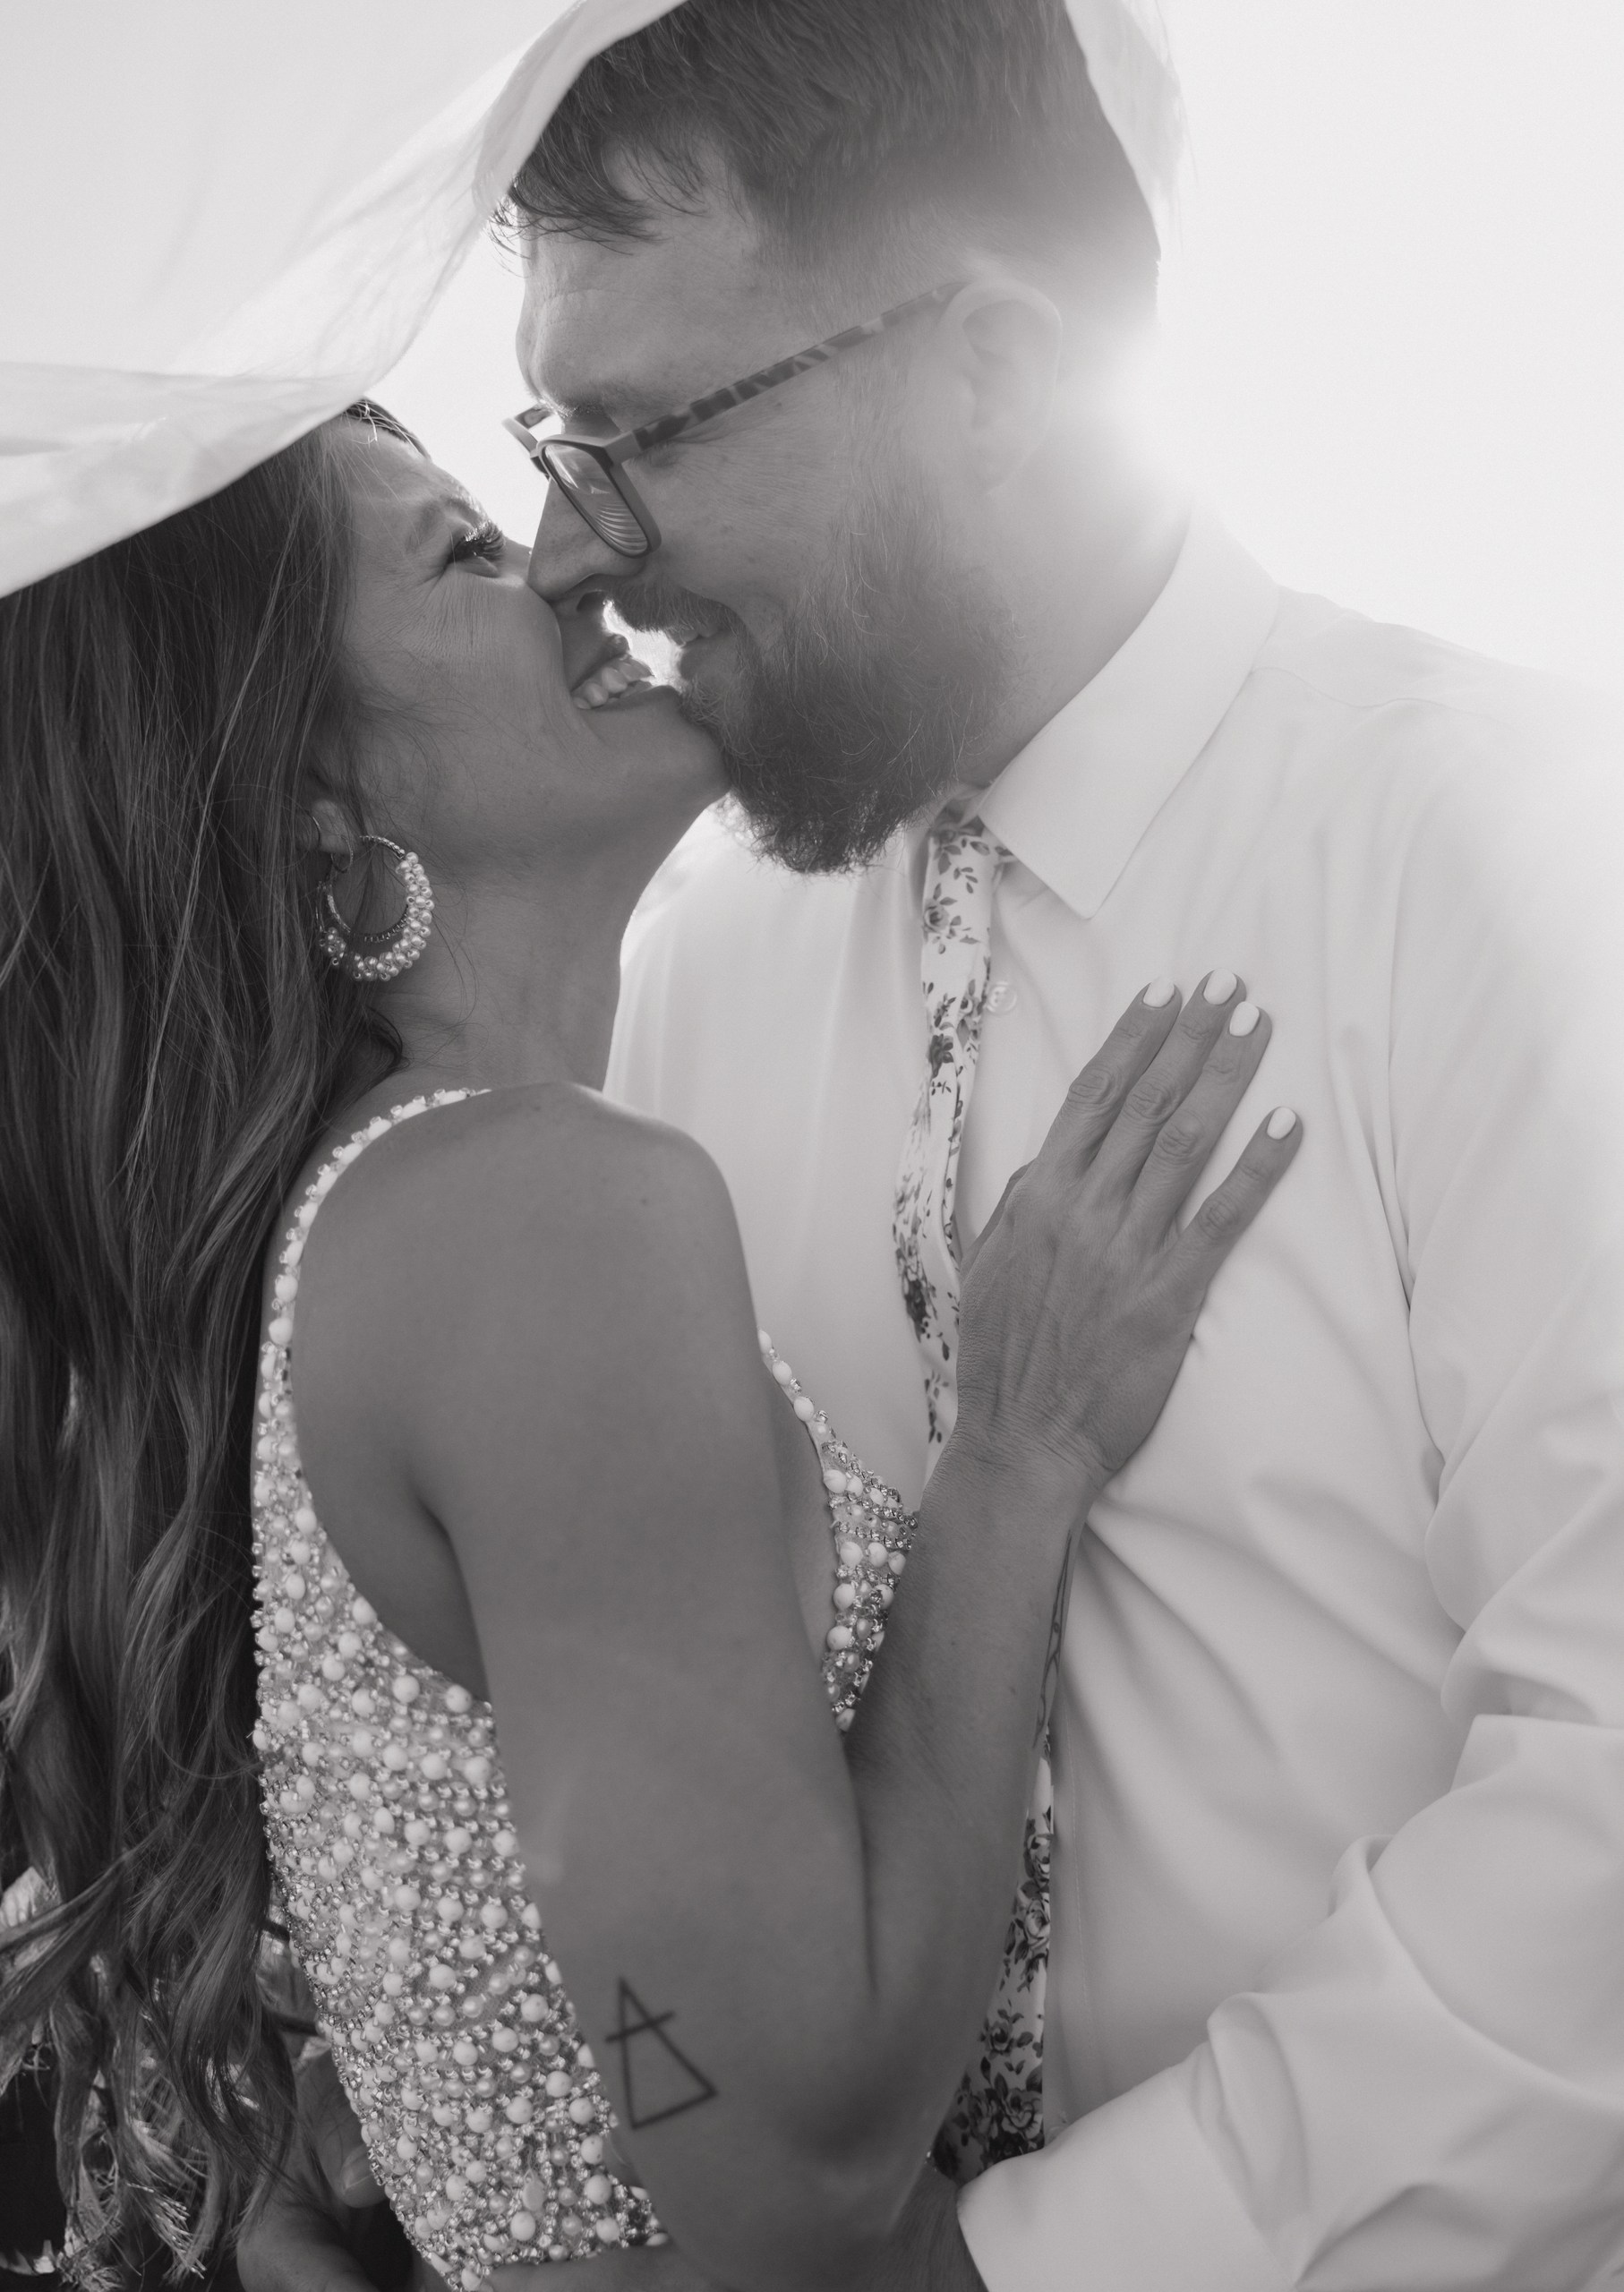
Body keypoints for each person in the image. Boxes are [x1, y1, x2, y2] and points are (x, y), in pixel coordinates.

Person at [253, 1, 1624, 2286]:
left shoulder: (1502, 847)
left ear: (993, 366)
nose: (580, 547)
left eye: (641, 429)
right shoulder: (681, 980)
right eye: (547, 441)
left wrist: (1033, 2267)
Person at [0, 394, 1298, 2292]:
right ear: (312, 796)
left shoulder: (368, 1236)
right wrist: (1011, 1462)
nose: (561, 556)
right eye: (459, 549)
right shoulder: (521, 1215)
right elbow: (794, 2187)